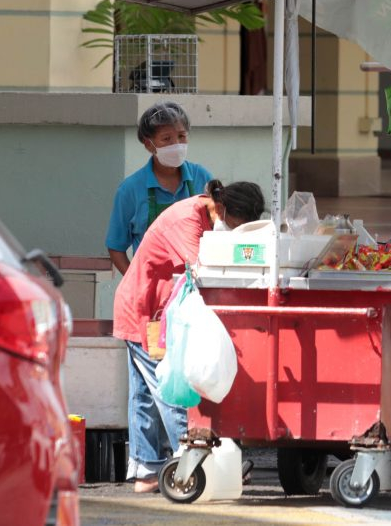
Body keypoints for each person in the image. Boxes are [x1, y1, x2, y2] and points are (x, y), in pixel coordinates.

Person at [113, 180, 265, 492]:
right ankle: (193, 456)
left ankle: (146, 470)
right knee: (170, 387)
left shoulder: (206, 213)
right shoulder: (187, 220)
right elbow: (203, 270)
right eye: (236, 225)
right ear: (221, 208)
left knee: (143, 394)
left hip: (154, 308)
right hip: (146, 311)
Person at [106, 102, 214, 275]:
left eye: (181, 136)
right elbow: (116, 247)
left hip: (197, 284)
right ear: (148, 144)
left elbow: (220, 231)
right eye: (166, 139)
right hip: (152, 284)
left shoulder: (202, 178)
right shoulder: (130, 190)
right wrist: (136, 283)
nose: (176, 144)